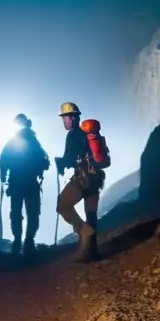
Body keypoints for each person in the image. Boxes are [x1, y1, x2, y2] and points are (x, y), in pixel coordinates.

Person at [54, 102, 111, 261]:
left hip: (82, 178)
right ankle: (92, 253)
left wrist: (61, 163)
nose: (64, 121)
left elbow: (70, 159)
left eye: (65, 117)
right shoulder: (89, 135)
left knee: (62, 205)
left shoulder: (72, 135)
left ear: (71, 118)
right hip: (96, 180)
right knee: (91, 215)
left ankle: (82, 230)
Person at [0, 113, 50, 256]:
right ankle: (28, 242)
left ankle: (17, 241)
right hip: (31, 183)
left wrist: (3, 178)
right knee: (33, 213)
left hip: (16, 183)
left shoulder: (12, 142)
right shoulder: (35, 142)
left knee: (16, 212)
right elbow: (45, 163)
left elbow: (3, 161)